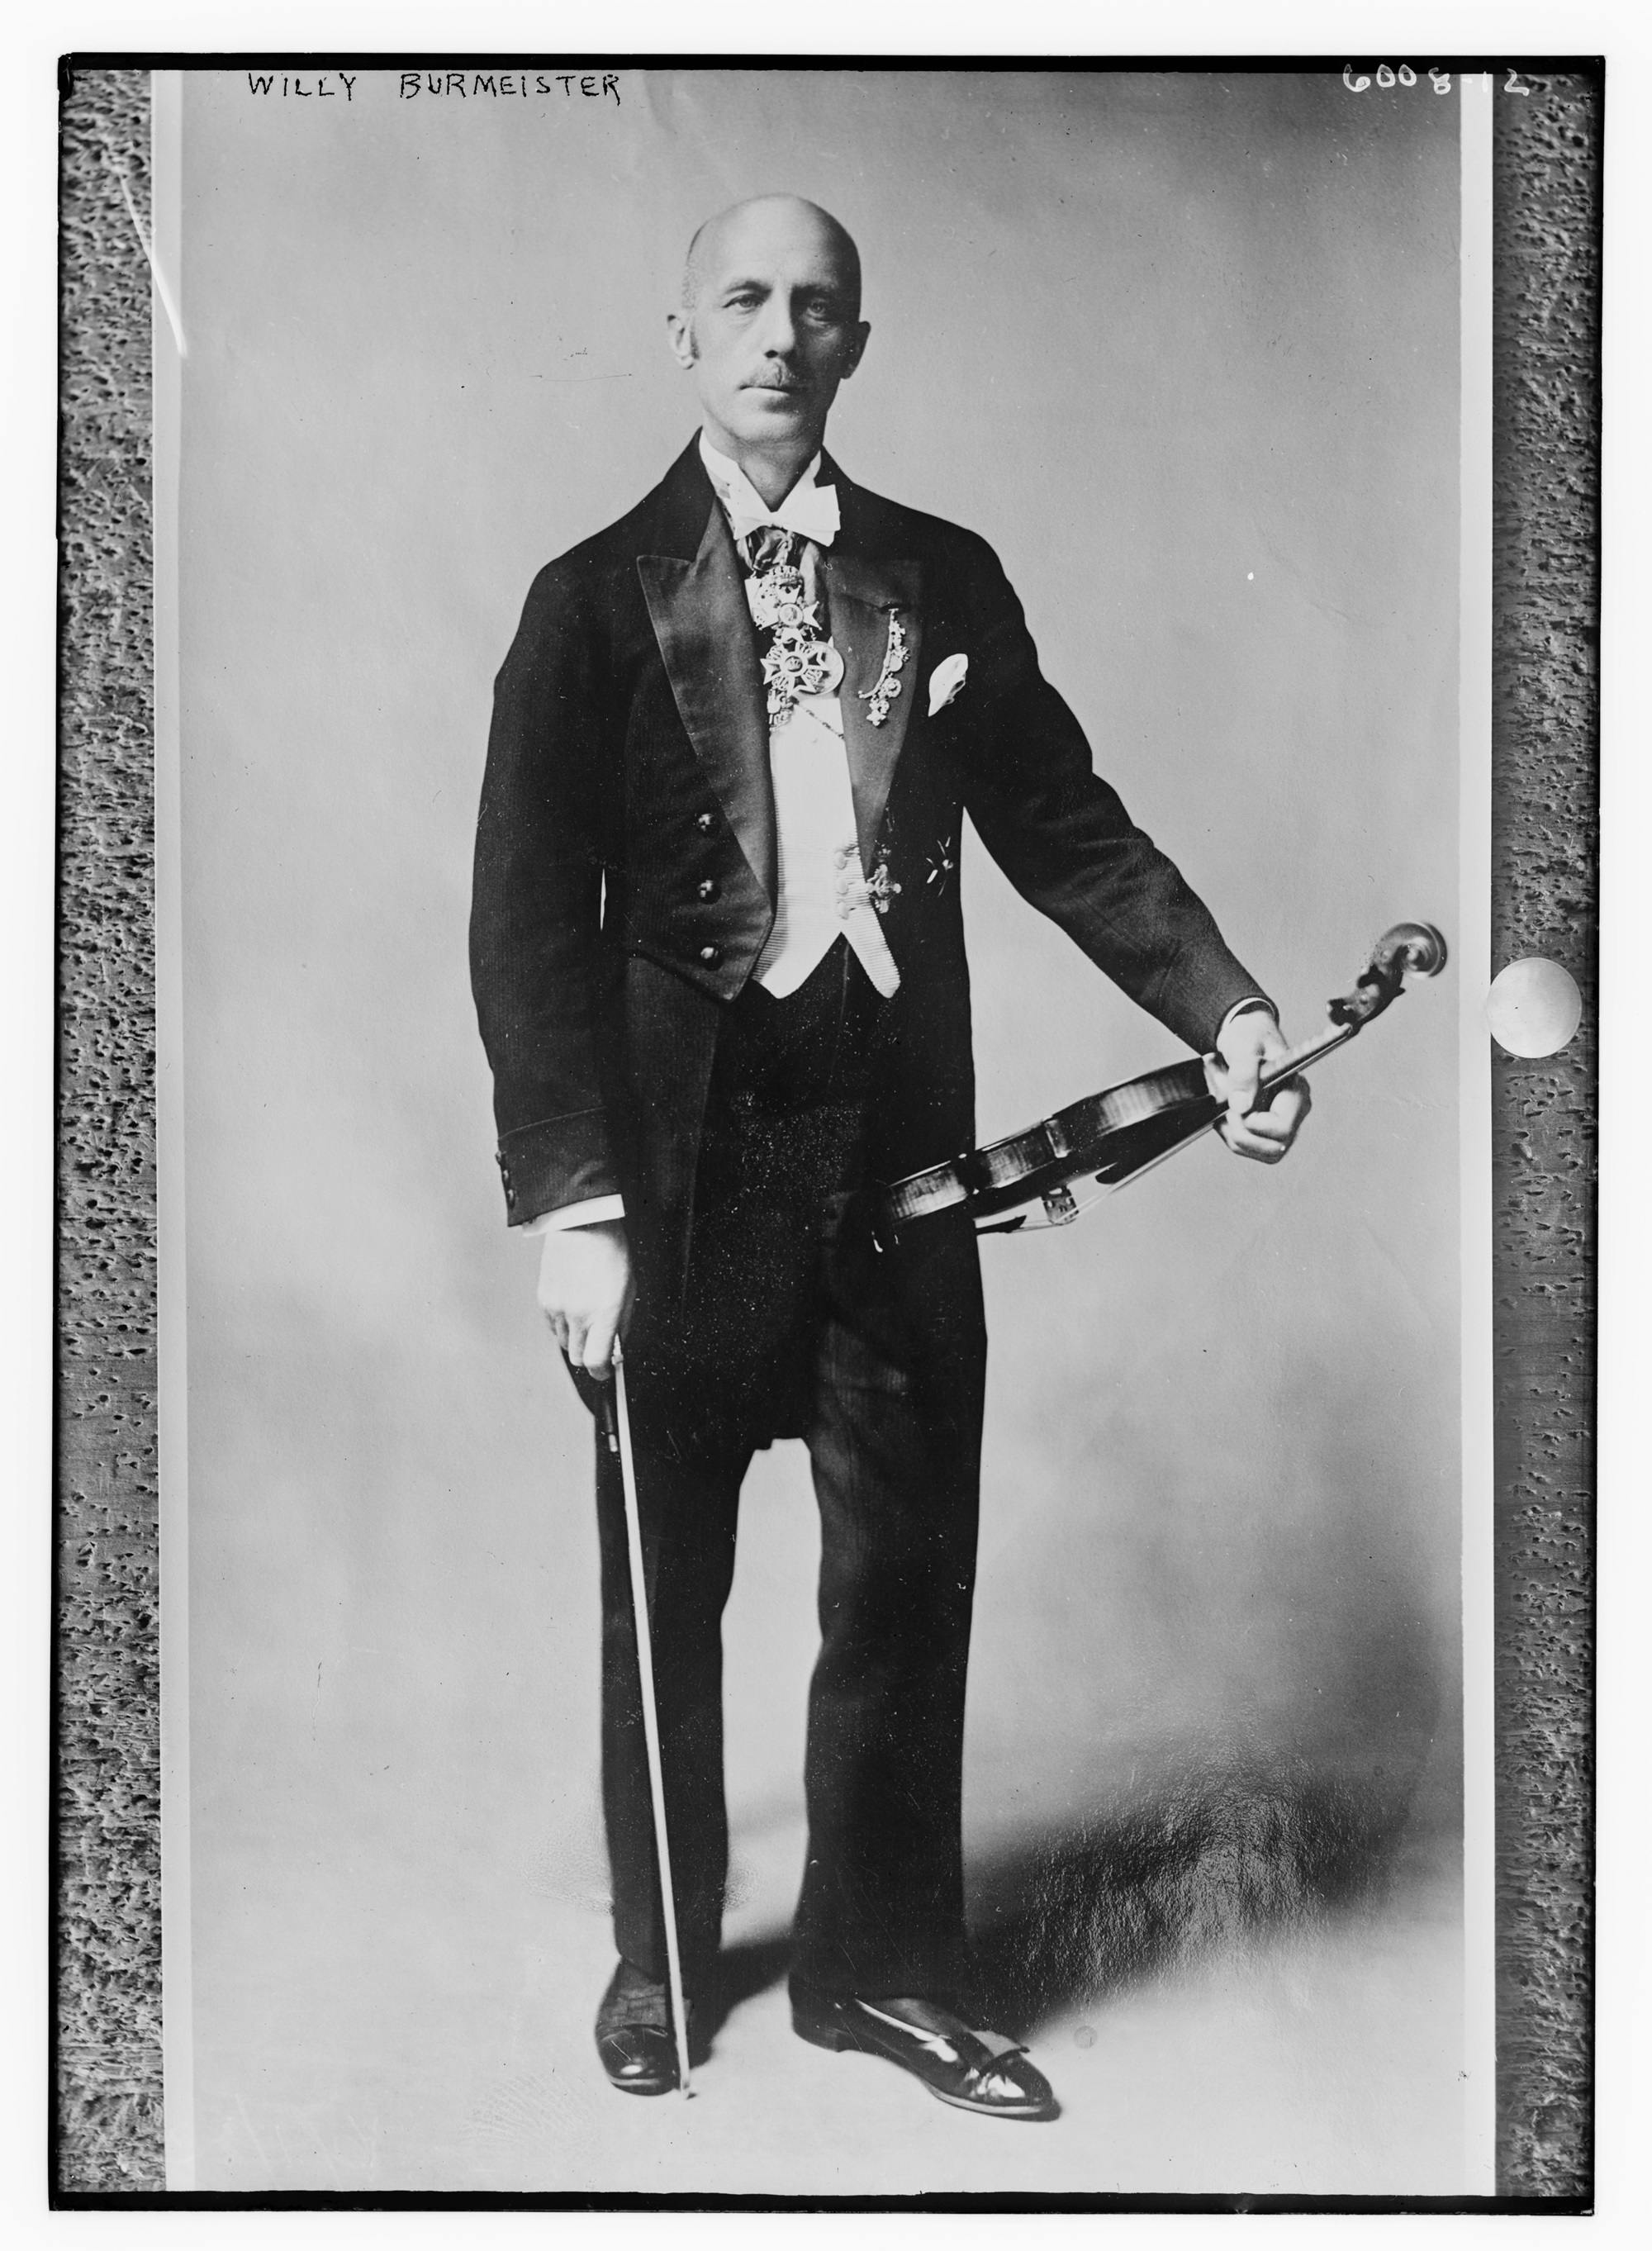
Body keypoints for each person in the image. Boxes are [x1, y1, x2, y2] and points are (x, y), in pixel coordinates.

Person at [470, 194, 1309, 2121]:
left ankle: (877, 1971)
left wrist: (1229, 1012)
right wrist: (574, 1207)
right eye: (744, 301)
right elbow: (521, 921)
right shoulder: (588, 597)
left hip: (893, 1158)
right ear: (682, 331)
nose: (780, 333)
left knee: (905, 1569)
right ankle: (659, 1949)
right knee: (660, 1577)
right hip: (674, 1180)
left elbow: (1064, 824)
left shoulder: (944, 578)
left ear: (858, 344)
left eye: (818, 307)